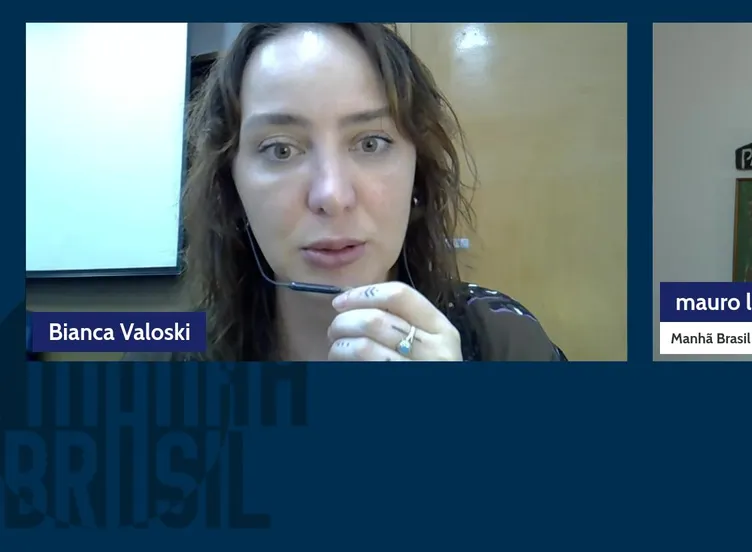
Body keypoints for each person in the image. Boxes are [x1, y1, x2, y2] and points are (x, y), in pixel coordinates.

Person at [130, 23, 565, 362]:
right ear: (232, 188)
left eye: (371, 143)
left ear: (418, 174)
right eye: (281, 150)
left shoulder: (505, 341)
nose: (332, 196)